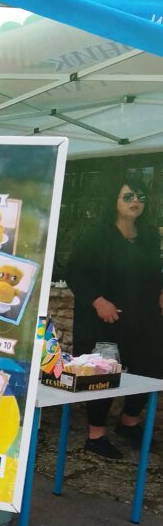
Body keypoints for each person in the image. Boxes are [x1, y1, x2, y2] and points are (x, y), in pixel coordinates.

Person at [66, 170, 163, 460]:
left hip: (143, 319)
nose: (135, 201)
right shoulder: (97, 235)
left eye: (140, 197)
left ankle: (129, 423)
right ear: (115, 201)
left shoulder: (148, 236)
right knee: (103, 373)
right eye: (128, 196)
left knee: (150, 368)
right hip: (104, 321)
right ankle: (96, 435)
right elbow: (75, 272)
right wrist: (98, 301)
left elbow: (154, 272)